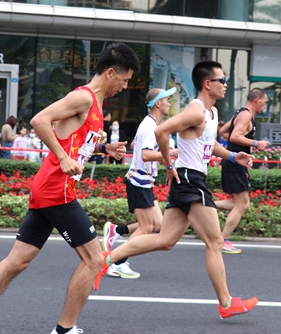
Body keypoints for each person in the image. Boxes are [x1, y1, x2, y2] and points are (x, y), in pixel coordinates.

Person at [0, 42, 139, 334]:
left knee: (17, 261)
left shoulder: (96, 105)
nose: (124, 87)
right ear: (110, 73)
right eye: (124, 80)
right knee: (94, 259)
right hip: (57, 190)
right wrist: (62, 158)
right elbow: (40, 120)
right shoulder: (83, 97)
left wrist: (104, 148)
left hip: (50, 189)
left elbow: (74, 142)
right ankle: (65, 330)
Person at [94, 60, 258, 320]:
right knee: (215, 242)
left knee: (165, 240)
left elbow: (210, 144)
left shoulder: (212, 113)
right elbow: (162, 131)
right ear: (208, 83)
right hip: (190, 180)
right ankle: (226, 303)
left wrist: (232, 156)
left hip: (190, 180)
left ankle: (104, 260)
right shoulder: (196, 111)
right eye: (223, 80)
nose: (226, 85)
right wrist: (169, 165)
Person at [101, 87, 178, 279]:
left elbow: (136, 145)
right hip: (139, 181)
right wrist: (169, 154)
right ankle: (117, 262)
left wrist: (161, 155)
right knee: (146, 227)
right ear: (158, 104)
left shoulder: (150, 124)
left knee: (158, 224)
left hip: (143, 181)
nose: (169, 103)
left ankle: (117, 230)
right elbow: (145, 154)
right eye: (167, 100)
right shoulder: (151, 126)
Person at [214, 88, 270, 254]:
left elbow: (223, 132)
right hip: (235, 163)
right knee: (243, 204)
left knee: (240, 204)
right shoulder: (246, 115)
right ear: (257, 99)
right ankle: (222, 241)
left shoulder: (240, 113)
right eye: (265, 102)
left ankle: (204, 205)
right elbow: (233, 136)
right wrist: (255, 143)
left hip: (234, 161)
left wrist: (243, 145)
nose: (265, 105)